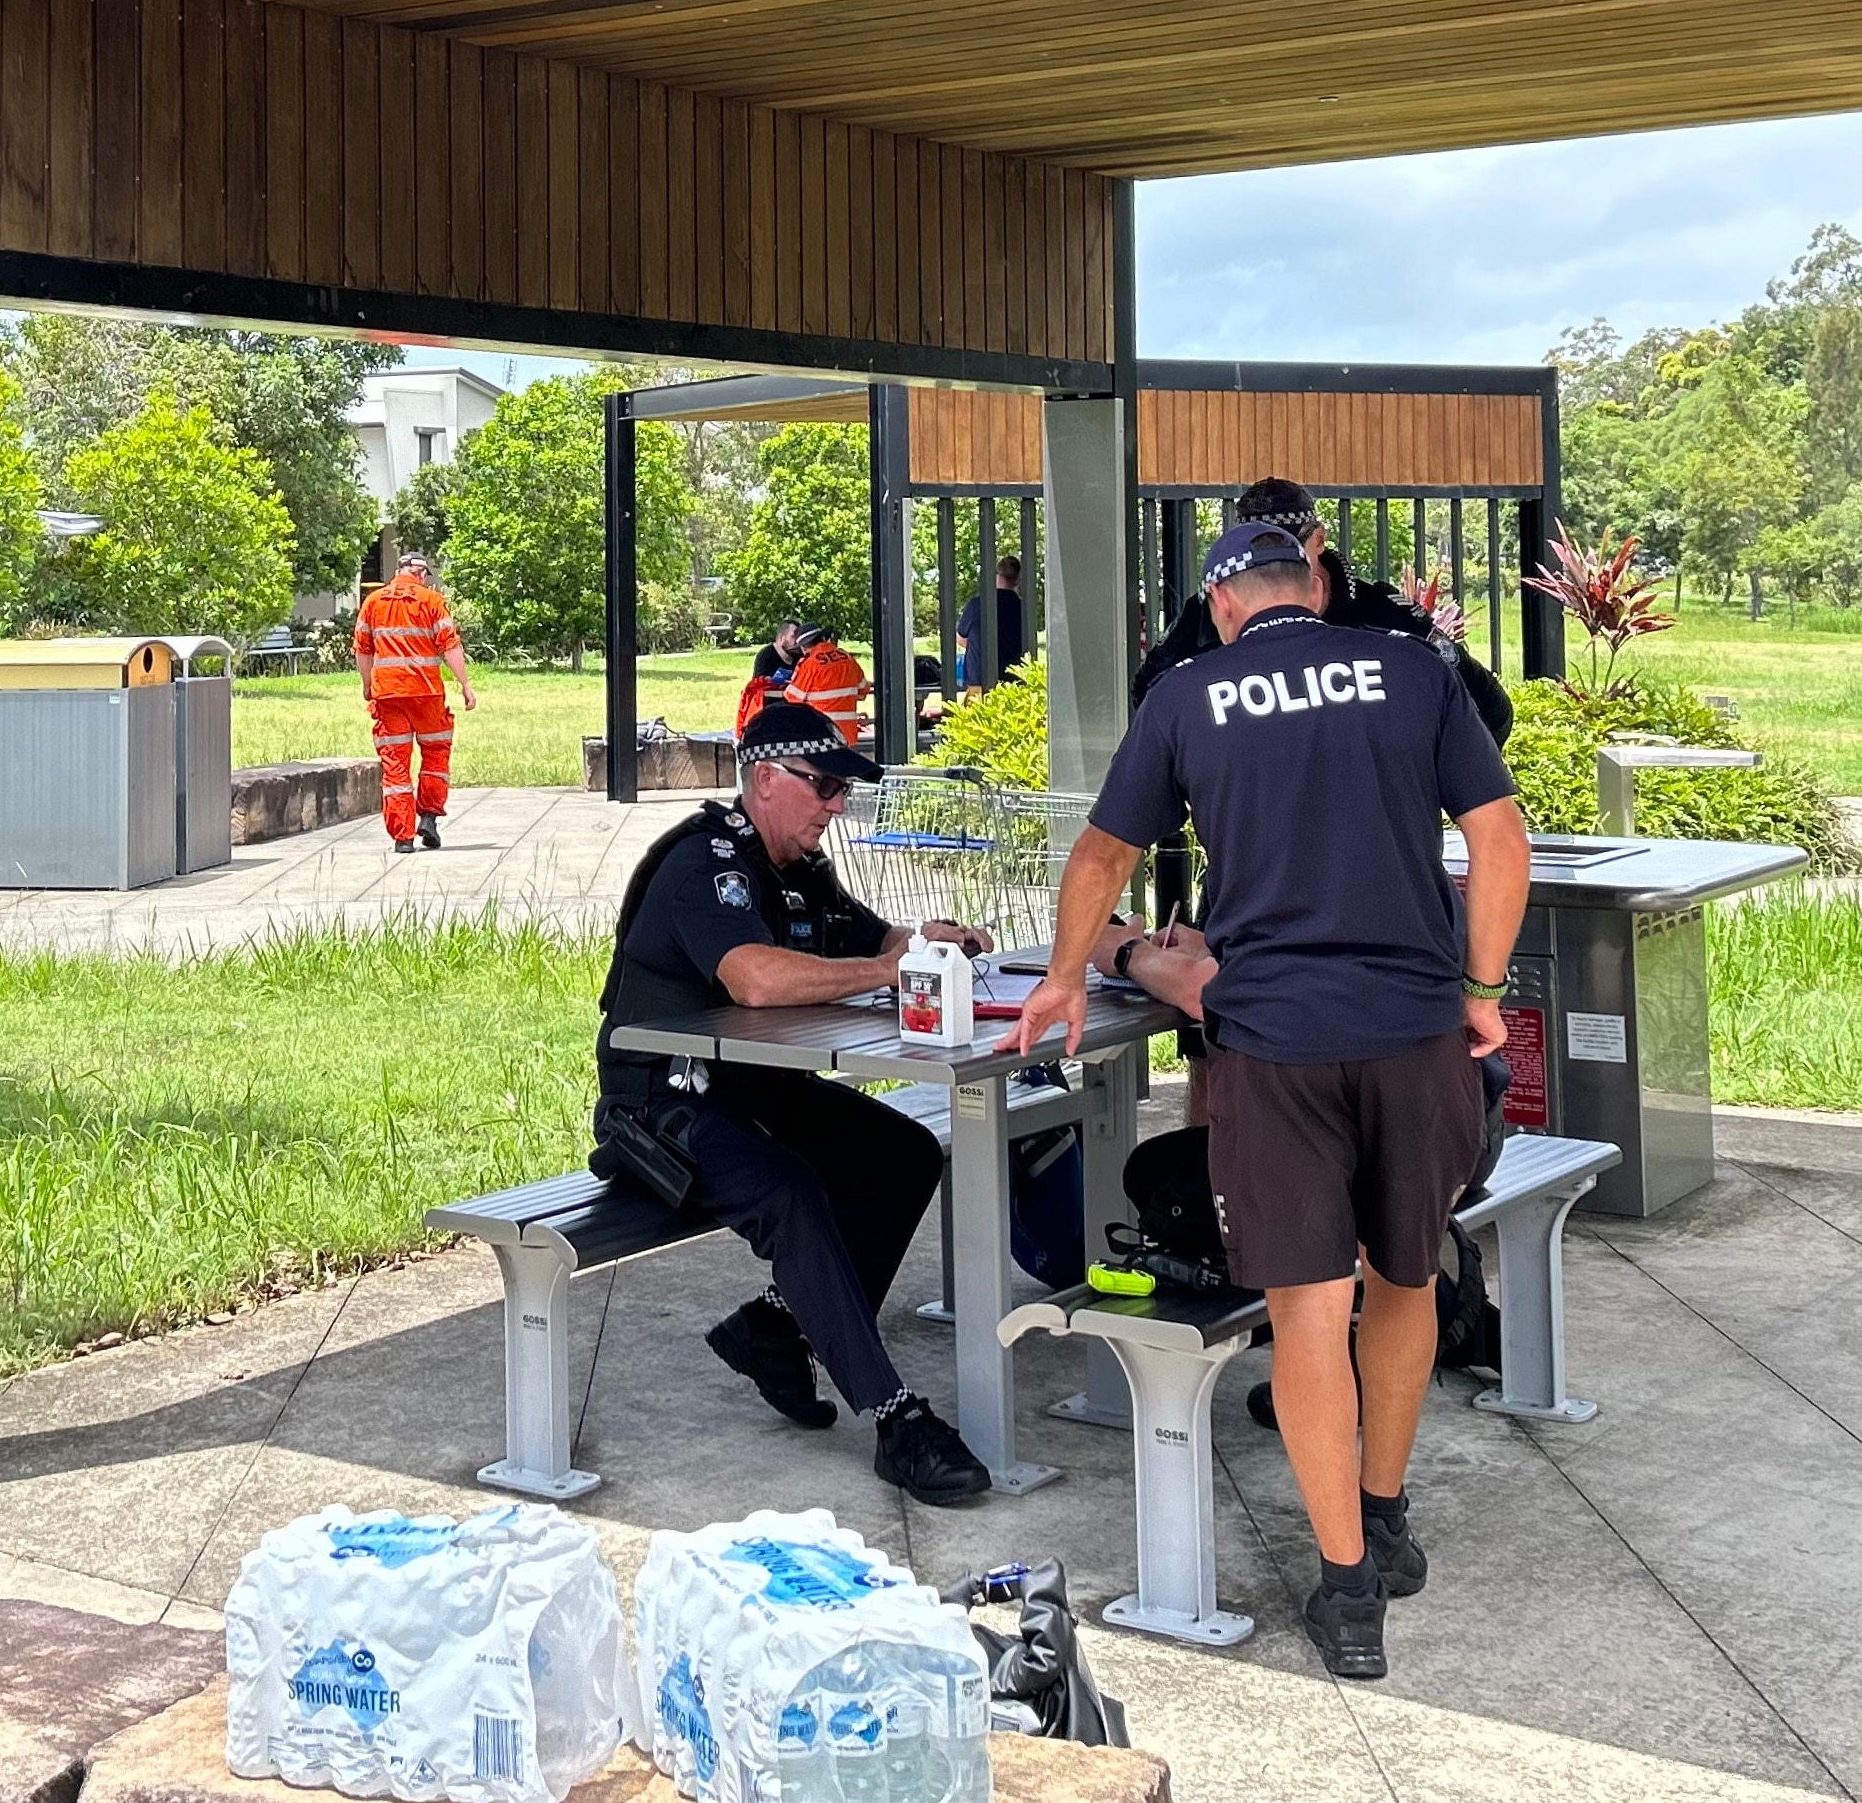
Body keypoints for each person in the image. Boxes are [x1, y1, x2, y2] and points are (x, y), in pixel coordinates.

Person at [1015, 519, 1532, 1685]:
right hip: (1412, 1034)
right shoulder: (1410, 669)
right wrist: (1483, 992)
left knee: (1307, 1310)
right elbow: (1500, 842)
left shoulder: (1190, 695)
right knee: (1404, 1277)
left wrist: (1058, 976)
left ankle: (1347, 1593)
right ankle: (1386, 1514)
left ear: (1222, 605)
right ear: (1318, 586)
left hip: (1273, 1043)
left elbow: (1099, 857)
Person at [592, 701, 999, 1506]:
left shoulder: (798, 869)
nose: (837, 805)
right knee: (791, 1192)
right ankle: (895, 1419)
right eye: (824, 787)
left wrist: (926, 941)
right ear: (767, 780)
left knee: (903, 1154)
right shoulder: (704, 863)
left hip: (759, 1089)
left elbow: (872, 937)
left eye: (843, 790)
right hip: (665, 1107)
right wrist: (894, 973)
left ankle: (778, 1327)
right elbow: (757, 977)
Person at [1134, 480, 1513, 744]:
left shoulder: (1383, 617)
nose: (1273, 571)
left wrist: (1421, 787)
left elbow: (1490, 710)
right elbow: (1148, 696)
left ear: (1318, 540)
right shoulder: (1210, 614)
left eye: (1290, 553)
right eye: (1254, 557)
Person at [352, 551, 478, 854]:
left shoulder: (374, 602)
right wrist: (465, 686)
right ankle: (429, 817)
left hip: (389, 695)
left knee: (395, 764)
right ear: (422, 574)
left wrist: (368, 684)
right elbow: (451, 647)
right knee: (435, 754)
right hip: (426, 695)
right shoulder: (432, 601)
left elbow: (362, 650)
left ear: (398, 571)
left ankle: (402, 837)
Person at [783, 625, 871, 743]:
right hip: (847, 732)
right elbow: (863, 691)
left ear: (804, 647)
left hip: (820, 731)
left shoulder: (810, 663)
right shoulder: (847, 658)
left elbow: (792, 698)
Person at [957, 553, 1029, 692]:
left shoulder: (976, 605)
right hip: (1014, 683)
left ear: (996, 575)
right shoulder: (1023, 609)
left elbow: (961, 639)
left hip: (978, 681)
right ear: (1017, 580)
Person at [732, 620, 807, 732]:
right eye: (793, 637)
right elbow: (759, 687)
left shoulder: (801, 657)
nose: (797, 642)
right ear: (781, 638)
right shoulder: (766, 656)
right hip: (770, 709)